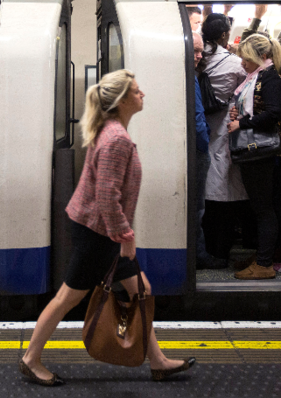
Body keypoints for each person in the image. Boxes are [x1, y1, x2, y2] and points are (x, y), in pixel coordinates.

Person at [20, 69, 195, 386]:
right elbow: (105, 196)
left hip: (105, 231)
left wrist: (121, 234)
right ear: (123, 99)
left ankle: (157, 361)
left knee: (141, 290)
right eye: (138, 91)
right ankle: (30, 359)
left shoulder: (113, 131)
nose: (143, 95)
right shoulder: (117, 139)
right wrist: (125, 236)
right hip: (98, 234)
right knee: (67, 298)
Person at [227, 34, 281, 280]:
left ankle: (264, 264)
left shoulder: (269, 77)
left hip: (261, 151)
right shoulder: (256, 77)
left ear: (261, 57)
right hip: (255, 150)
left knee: (263, 208)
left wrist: (242, 122)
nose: (242, 63)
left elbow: (273, 113)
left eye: (246, 59)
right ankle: (263, 255)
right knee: (260, 206)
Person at [199, 14, 252, 269]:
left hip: (202, 128)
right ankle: (220, 252)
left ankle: (207, 250)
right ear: (223, 36)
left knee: (206, 194)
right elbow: (249, 81)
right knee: (225, 192)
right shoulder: (233, 63)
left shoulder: (199, 59)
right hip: (223, 128)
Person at [192, 33, 215, 270]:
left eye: (201, 52)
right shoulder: (191, 78)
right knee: (198, 207)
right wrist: (205, 144)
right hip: (197, 151)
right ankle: (199, 255)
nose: (199, 57)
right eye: (195, 51)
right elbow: (198, 118)